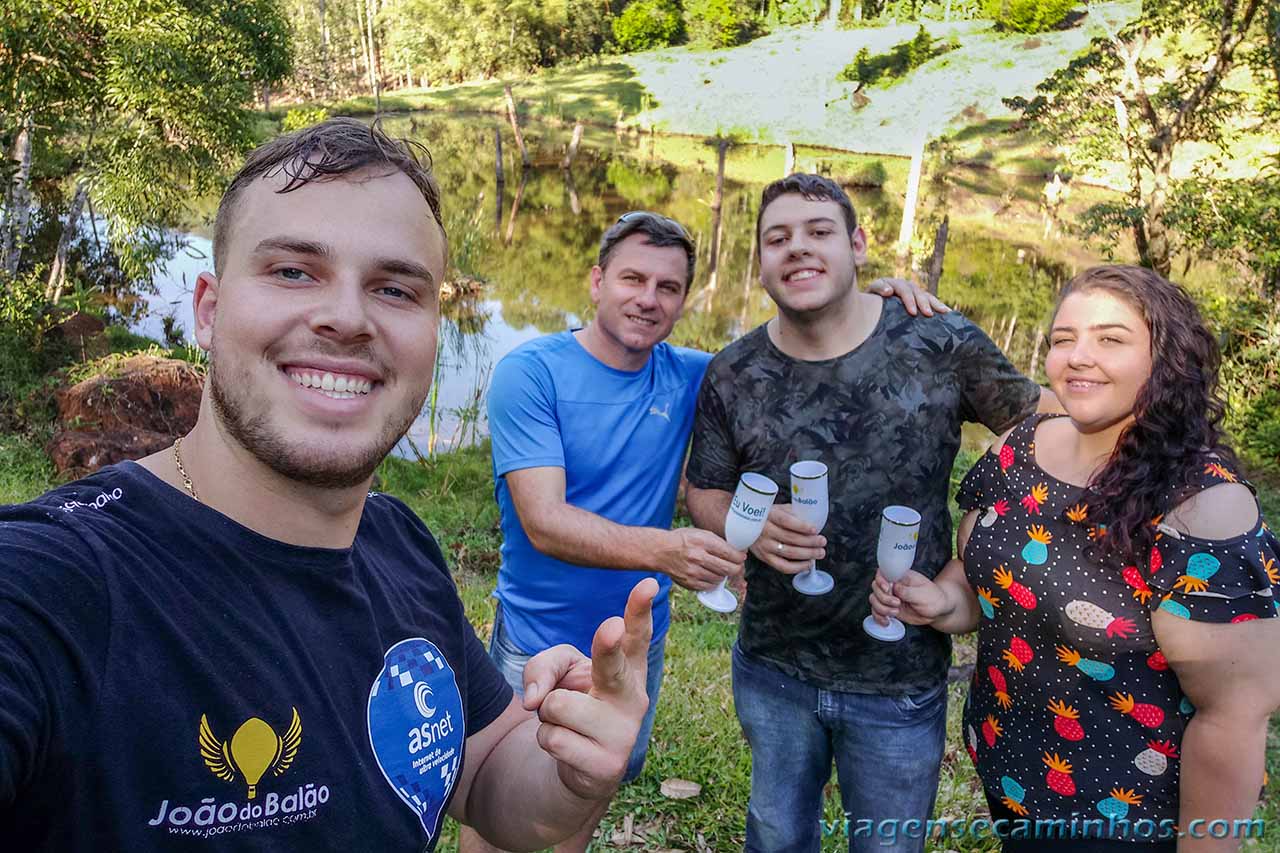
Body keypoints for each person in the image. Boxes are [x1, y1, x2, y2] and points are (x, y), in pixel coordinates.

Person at [0, 118, 659, 852]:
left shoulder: (399, 541)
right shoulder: (55, 583)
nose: (347, 318)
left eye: (395, 288)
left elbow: (485, 779)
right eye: (293, 270)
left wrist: (570, 769)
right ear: (209, 311)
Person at [462, 210, 948, 853]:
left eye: (668, 287)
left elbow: (795, 345)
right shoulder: (532, 371)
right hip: (538, 629)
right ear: (596, 280)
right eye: (632, 279)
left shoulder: (694, 373)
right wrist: (671, 550)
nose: (648, 299)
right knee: (505, 810)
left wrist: (871, 298)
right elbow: (544, 523)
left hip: (639, 637)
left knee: (589, 785)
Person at [685, 173, 1059, 853]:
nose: (797, 249)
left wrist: (983, 532)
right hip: (774, 664)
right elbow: (704, 490)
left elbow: (1048, 426)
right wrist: (749, 525)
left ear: (858, 244)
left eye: (819, 232)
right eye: (778, 238)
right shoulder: (733, 370)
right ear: (761, 260)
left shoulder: (937, 341)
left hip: (900, 674)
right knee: (774, 834)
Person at [871, 265, 1280, 852]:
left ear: (1167, 360)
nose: (1079, 356)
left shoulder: (1203, 507)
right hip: (1014, 785)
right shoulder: (1021, 449)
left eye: (1111, 339)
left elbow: (1234, 717)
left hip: (1126, 823)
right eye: (1065, 339)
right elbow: (981, 580)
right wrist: (940, 600)